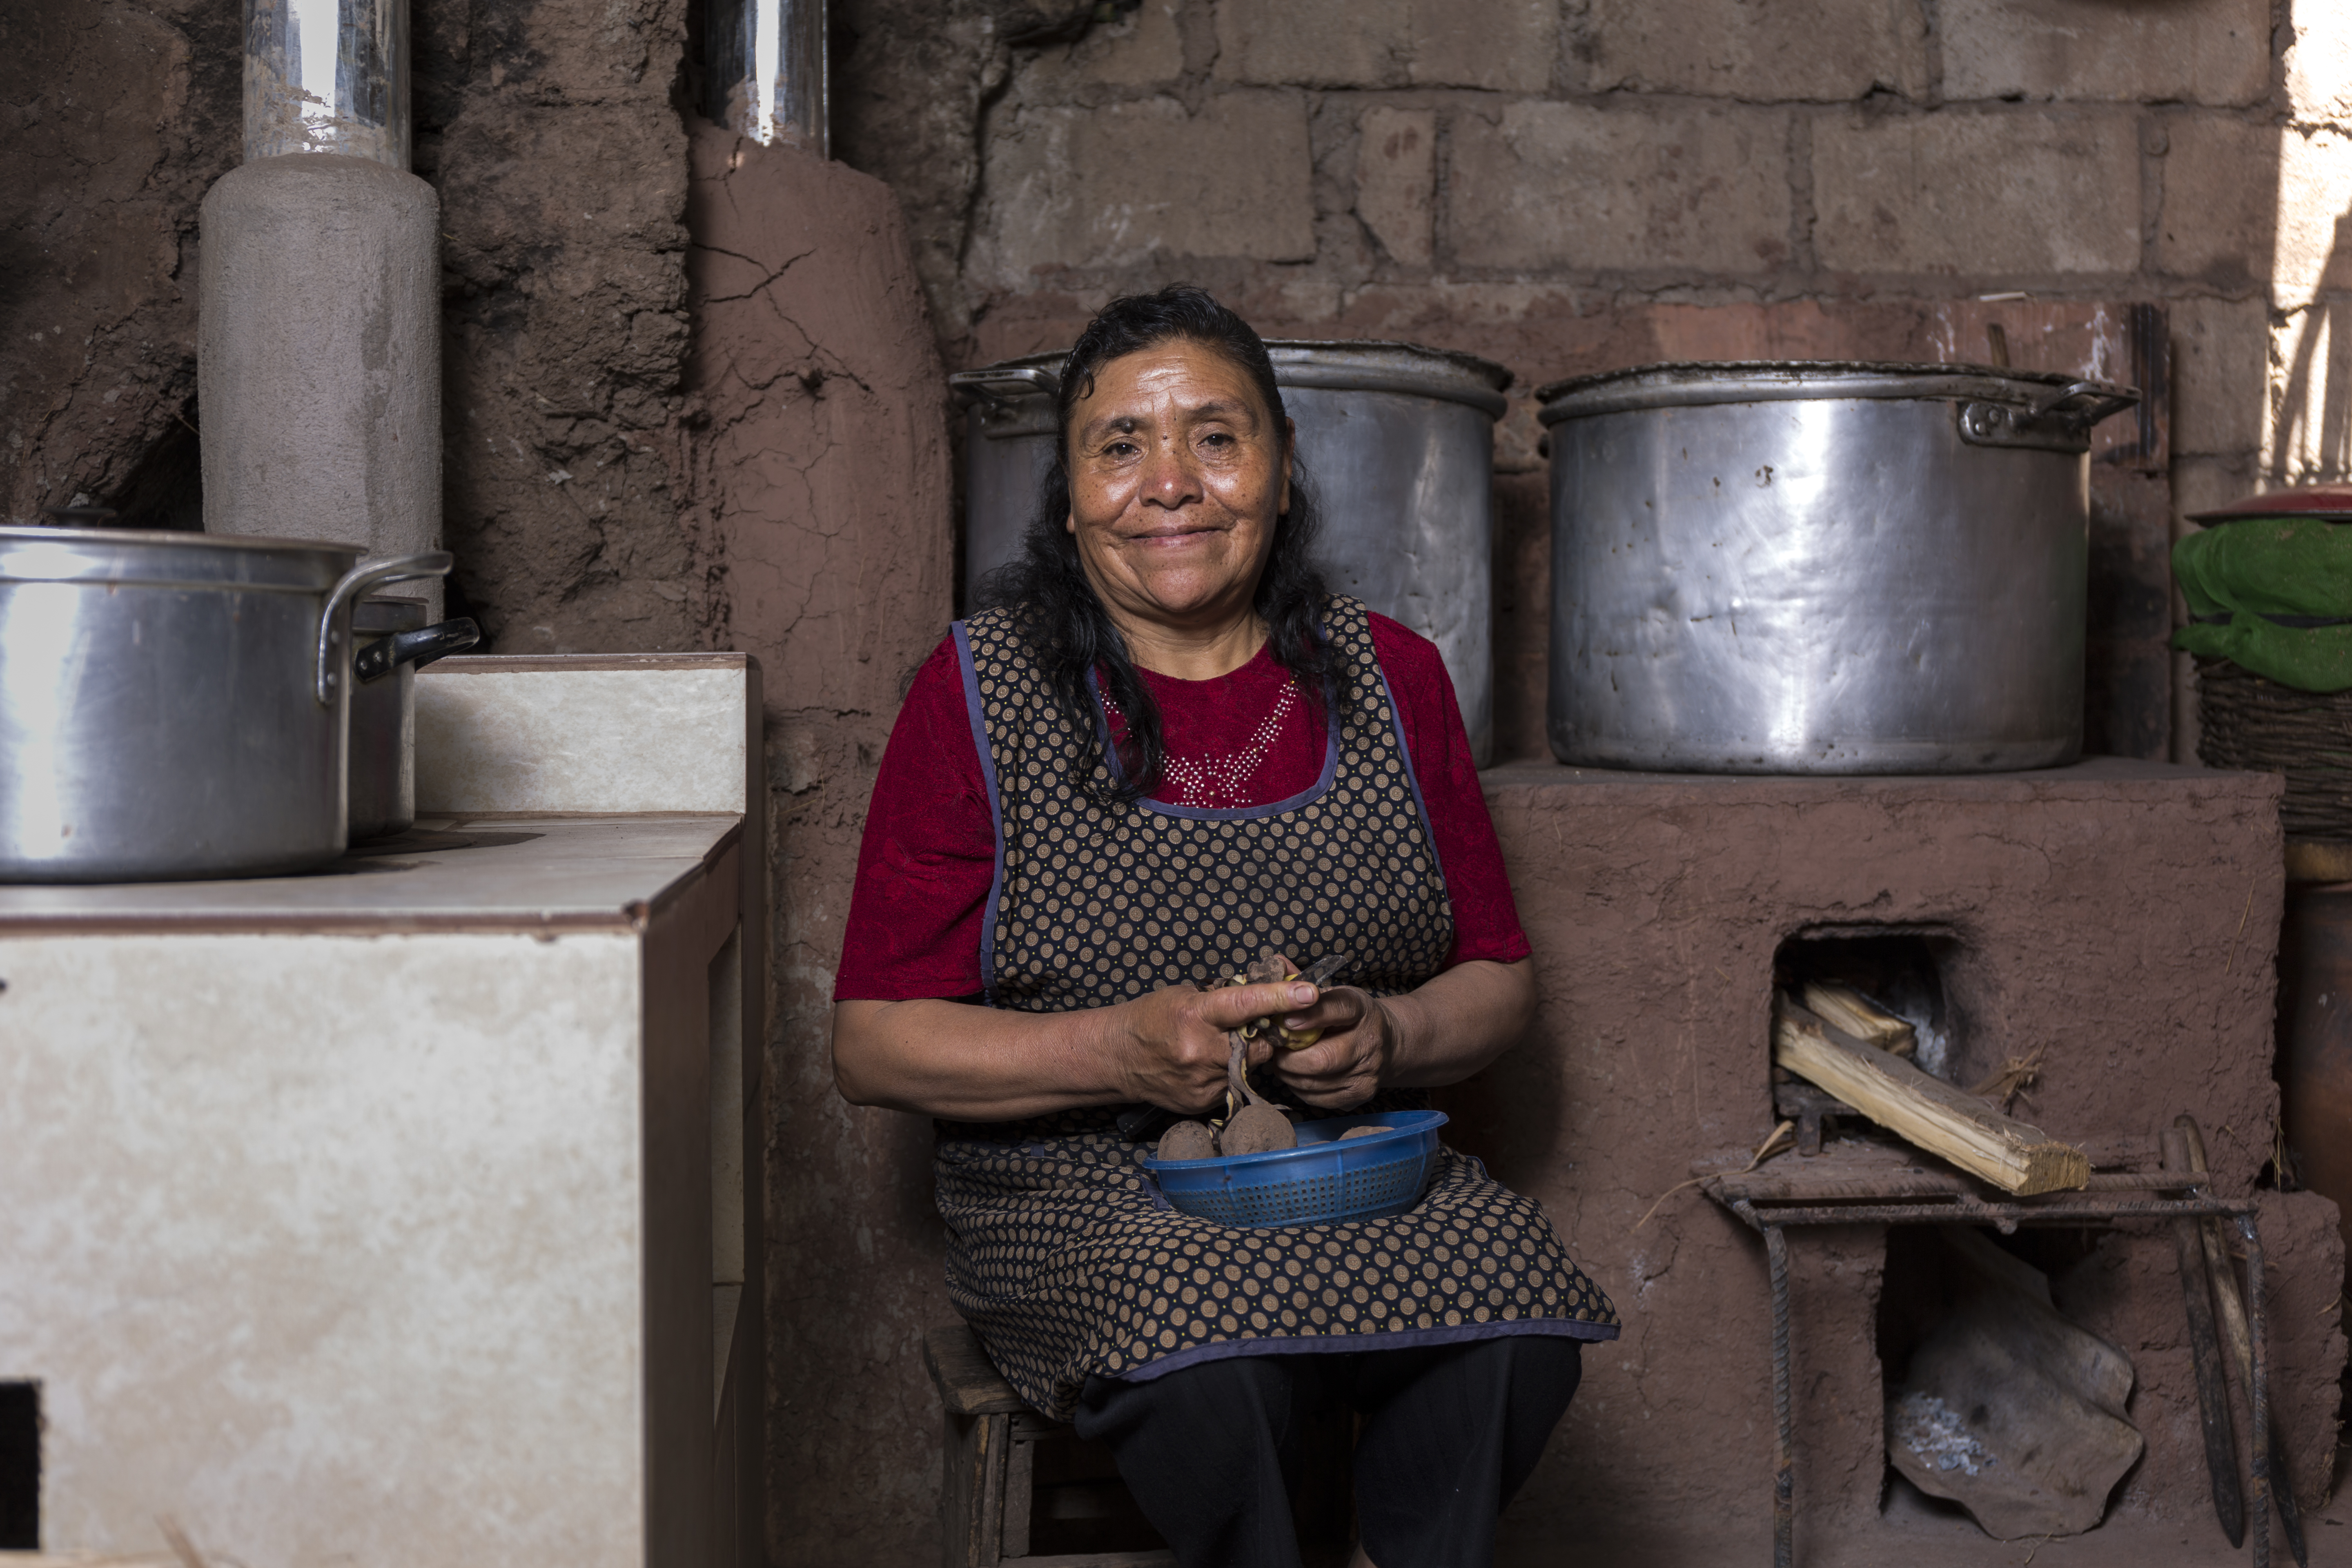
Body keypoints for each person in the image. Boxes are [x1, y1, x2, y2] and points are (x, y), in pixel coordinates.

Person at [831, 285, 1617, 1568]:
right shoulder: (984, 691)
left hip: (1349, 1165)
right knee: (1215, 1357)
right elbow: (871, 1047)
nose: (1171, 485)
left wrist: (1391, 1033)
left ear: (1283, 468)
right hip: (1076, 1193)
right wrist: (1114, 1056)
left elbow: (1498, 983)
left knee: (1519, 1316)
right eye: (1121, 445)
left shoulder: (1392, 676)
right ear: (1070, 490)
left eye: (1217, 436)